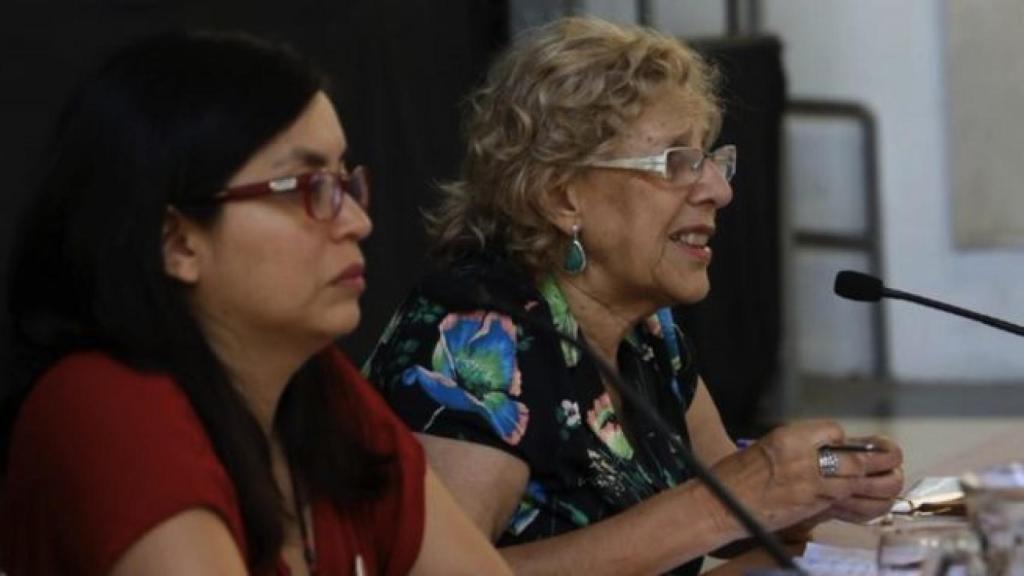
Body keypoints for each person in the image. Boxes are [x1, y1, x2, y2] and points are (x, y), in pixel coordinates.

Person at [365, 16, 904, 575]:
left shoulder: (648, 331)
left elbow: (736, 520)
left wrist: (811, 490)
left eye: (711, 159)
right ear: (562, 196)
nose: (719, 190)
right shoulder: (476, 335)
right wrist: (734, 499)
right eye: (678, 163)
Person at [1, 31, 511, 576]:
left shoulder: (321, 390)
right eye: (307, 188)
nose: (358, 221)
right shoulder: (106, 405)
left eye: (345, 182)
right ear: (177, 241)